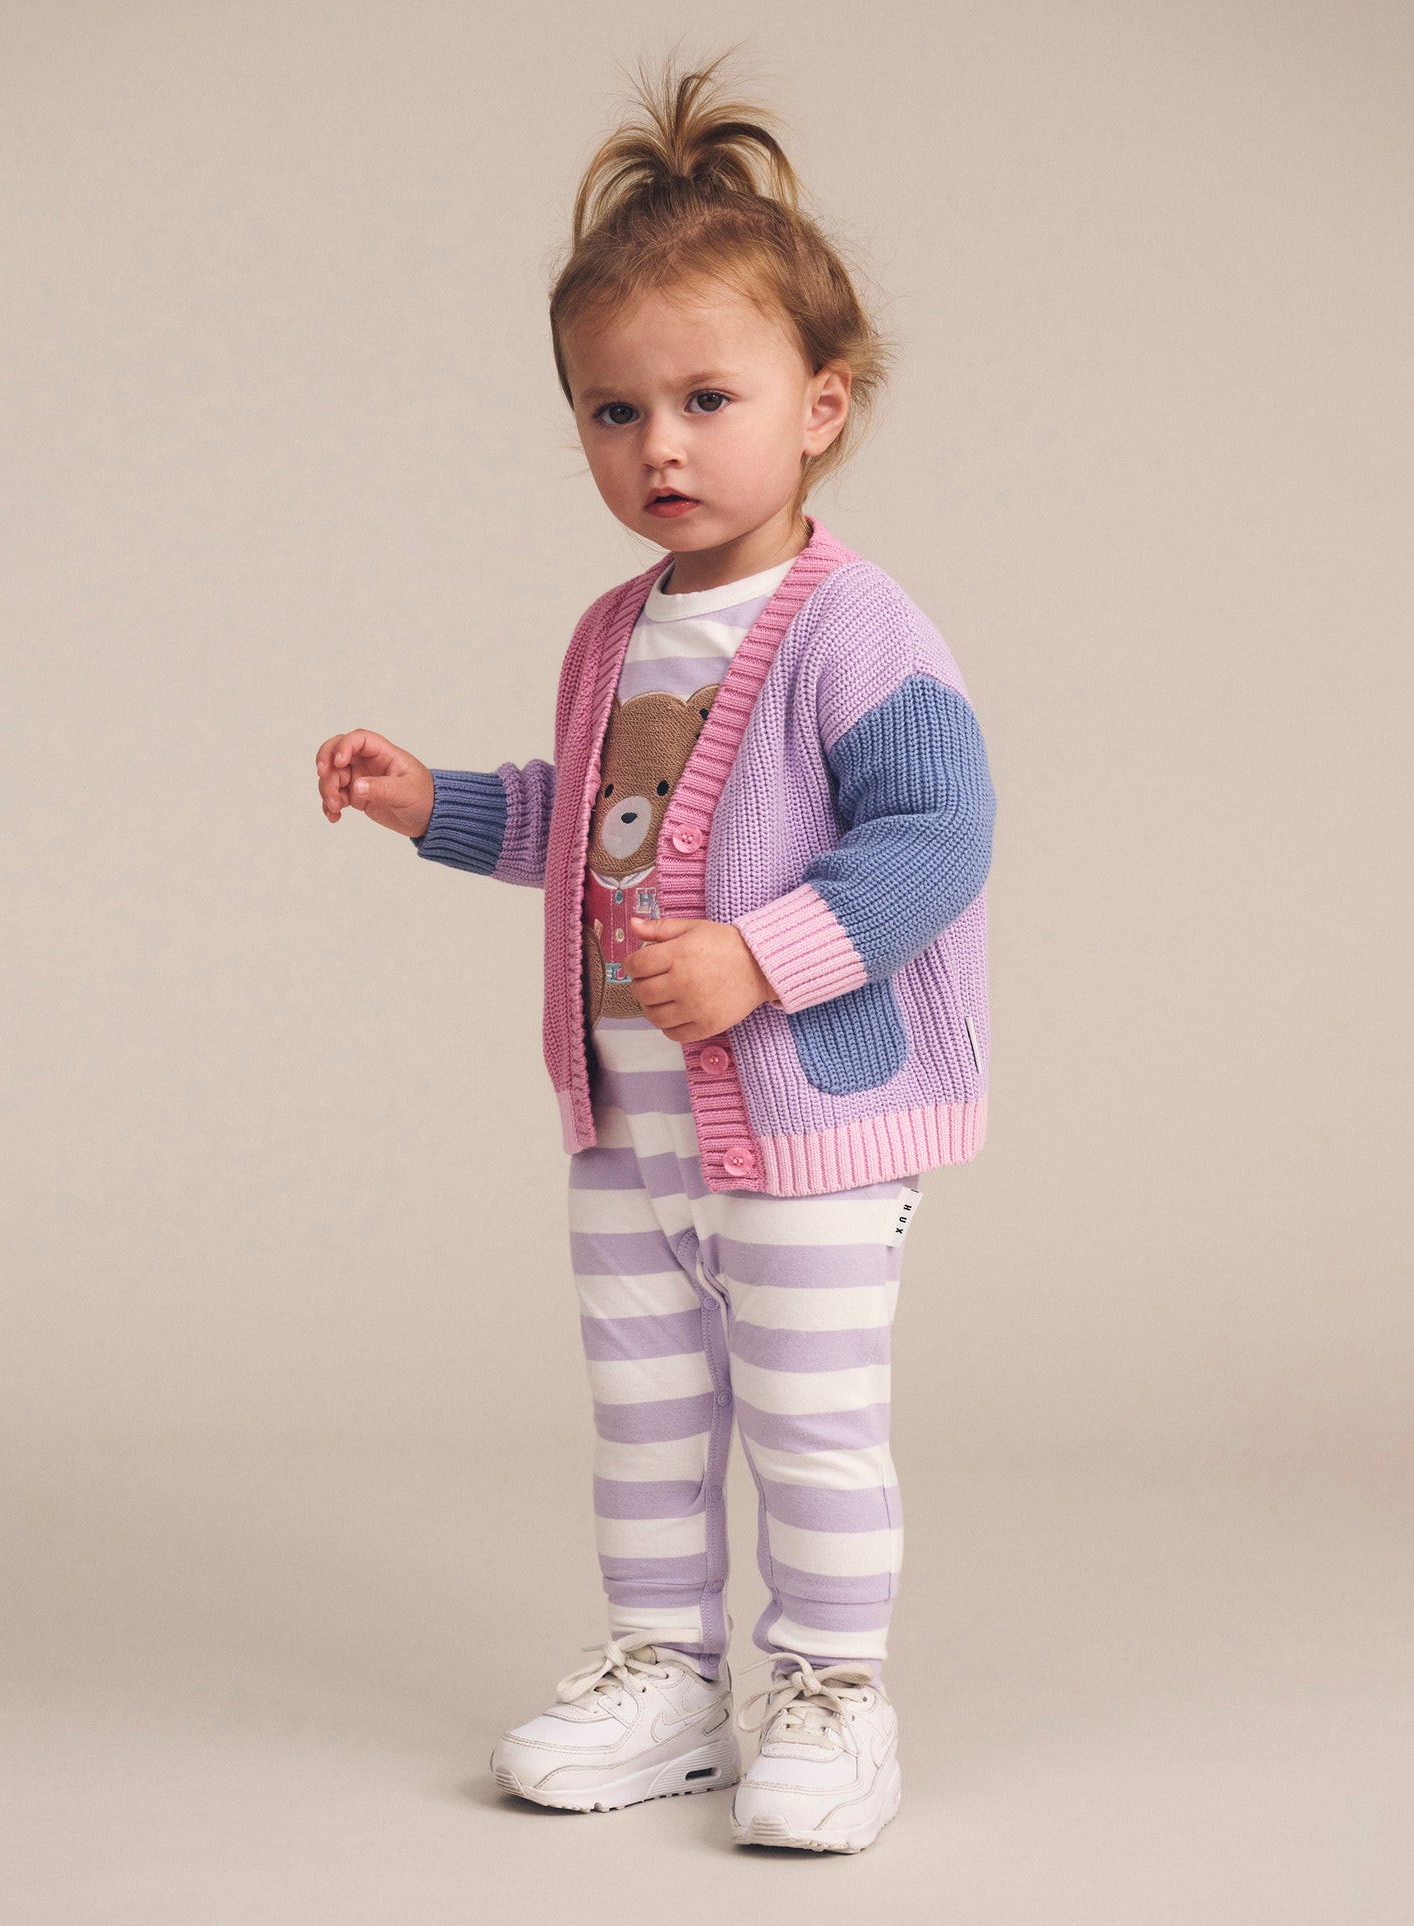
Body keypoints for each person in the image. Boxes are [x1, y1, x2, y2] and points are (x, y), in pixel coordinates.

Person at [314, 48, 996, 1855]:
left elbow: (936, 837)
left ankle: (831, 1687)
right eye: (613, 411)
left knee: (808, 1418)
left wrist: (763, 958)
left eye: (706, 398)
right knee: (646, 1417)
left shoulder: (854, 627)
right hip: (630, 1132)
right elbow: (592, 831)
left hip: (807, 1129)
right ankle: (669, 1674)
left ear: (820, 404)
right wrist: (435, 801)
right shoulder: (615, 631)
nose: (659, 446)